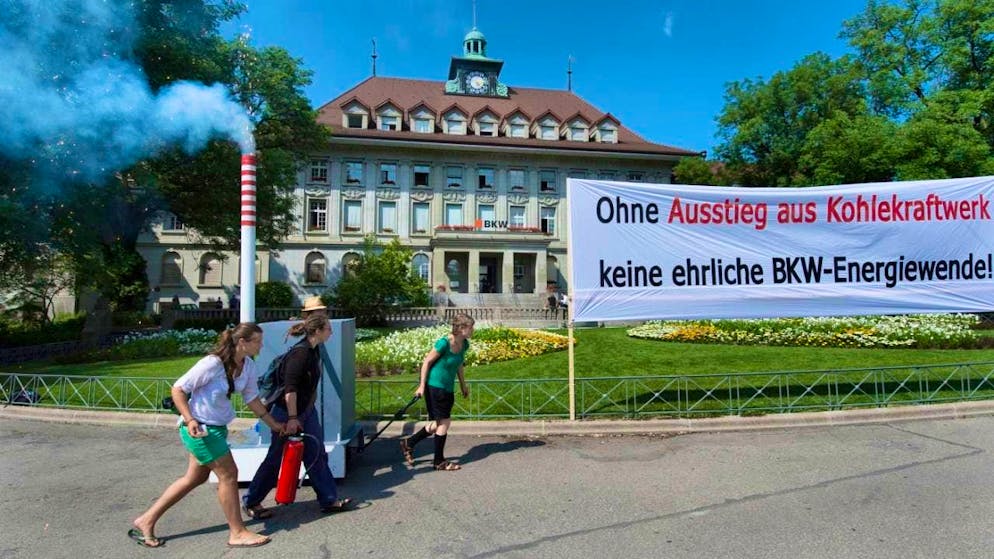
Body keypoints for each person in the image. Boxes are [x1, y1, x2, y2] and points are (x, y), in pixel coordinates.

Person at [129, 323, 284, 549]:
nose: (261, 345)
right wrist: (190, 419)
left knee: (194, 478)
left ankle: (146, 520)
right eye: (257, 341)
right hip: (200, 429)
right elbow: (178, 389)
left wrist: (274, 425)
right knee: (229, 474)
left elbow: (252, 399)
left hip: (217, 428)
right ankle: (237, 532)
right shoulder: (212, 364)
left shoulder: (247, 365)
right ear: (242, 342)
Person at [242, 314, 354, 517]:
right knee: (275, 457)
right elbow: (290, 390)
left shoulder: (315, 351)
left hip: (305, 412)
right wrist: (293, 418)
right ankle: (252, 501)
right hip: (287, 412)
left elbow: (309, 387)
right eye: (328, 328)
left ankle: (328, 499)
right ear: (318, 331)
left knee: (316, 453)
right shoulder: (300, 354)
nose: (331, 331)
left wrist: (308, 412)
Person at [400, 313, 474, 471]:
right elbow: (426, 362)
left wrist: (463, 385)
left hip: (448, 387)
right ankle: (439, 461)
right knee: (445, 423)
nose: (473, 330)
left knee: (438, 423)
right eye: (470, 327)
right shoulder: (444, 343)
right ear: (461, 328)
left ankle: (409, 443)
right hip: (435, 387)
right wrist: (421, 386)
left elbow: (459, 364)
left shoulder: (464, 344)